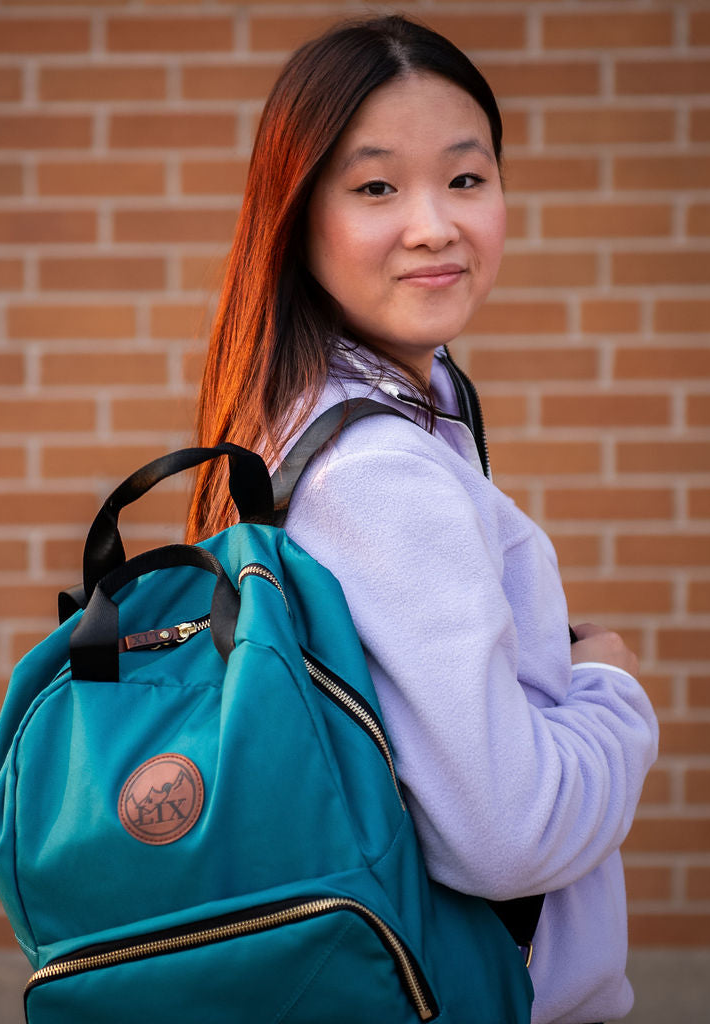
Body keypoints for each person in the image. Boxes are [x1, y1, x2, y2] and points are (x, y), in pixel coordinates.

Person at [187, 15, 658, 1024]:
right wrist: (614, 693)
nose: (433, 225)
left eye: (464, 177)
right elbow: (504, 832)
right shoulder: (378, 471)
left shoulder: (320, 409)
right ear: (297, 215)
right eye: (374, 188)